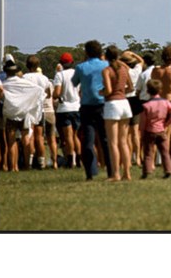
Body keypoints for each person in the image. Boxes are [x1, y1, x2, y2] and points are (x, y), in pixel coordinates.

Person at [72, 39, 112, 180]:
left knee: (88, 141)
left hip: (87, 106)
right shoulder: (106, 65)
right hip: (103, 105)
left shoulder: (81, 67)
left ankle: (90, 171)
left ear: (87, 52)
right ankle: (111, 171)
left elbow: (74, 82)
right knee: (106, 140)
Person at [0, 60, 45, 171]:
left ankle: (13, 166)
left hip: (11, 115)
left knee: (11, 143)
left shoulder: (4, 84)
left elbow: (1, 96)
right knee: (26, 140)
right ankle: (26, 164)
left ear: (6, 72)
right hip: (24, 114)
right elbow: (39, 90)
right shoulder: (23, 83)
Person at [101, 45, 133, 181]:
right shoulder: (124, 69)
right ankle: (127, 173)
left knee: (113, 142)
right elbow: (131, 87)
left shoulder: (107, 70)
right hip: (125, 103)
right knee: (123, 141)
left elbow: (108, 90)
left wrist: (99, 92)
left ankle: (116, 174)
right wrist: (121, 92)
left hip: (112, 104)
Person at [151, 46, 171, 163]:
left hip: (156, 101)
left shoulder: (155, 71)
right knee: (168, 133)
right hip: (169, 102)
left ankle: (154, 159)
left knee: (155, 131)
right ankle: (166, 159)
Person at [22, 55, 55, 169]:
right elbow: (49, 94)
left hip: (28, 110)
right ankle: (41, 161)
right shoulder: (44, 78)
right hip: (39, 109)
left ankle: (29, 161)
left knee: (29, 135)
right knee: (39, 137)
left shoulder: (24, 77)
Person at [140, 78, 171, 179]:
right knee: (165, 151)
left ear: (147, 91)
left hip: (149, 130)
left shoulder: (146, 105)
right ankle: (168, 169)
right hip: (161, 130)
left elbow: (143, 121)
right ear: (160, 90)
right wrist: (166, 123)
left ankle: (147, 171)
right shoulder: (166, 102)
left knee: (148, 152)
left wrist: (142, 132)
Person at [53, 53, 82, 168]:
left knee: (68, 136)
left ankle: (70, 159)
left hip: (65, 108)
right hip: (77, 107)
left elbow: (57, 93)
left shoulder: (60, 75)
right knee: (75, 136)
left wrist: (55, 96)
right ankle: (79, 159)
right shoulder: (77, 74)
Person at [120, 51, 145, 167]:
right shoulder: (137, 70)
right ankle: (138, 158)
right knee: (135, 132)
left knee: (126, 133)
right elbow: (141, 61)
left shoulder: (124, 71)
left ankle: (128, 158)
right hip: (135, 100)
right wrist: (133, 54)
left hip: (126, 100)